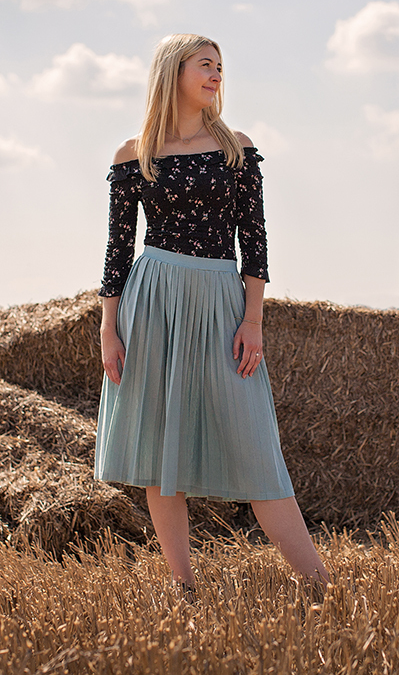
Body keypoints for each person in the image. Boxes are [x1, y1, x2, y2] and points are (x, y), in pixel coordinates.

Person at [95, 33, 329, 594]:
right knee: (158, 448)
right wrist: (109, 327)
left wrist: (253, 320)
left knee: (254, 443)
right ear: (174, 72)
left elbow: (256, 241)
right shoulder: (134, 154)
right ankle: (183, 586)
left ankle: (320, 583)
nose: (217, 75)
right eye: (205, 65)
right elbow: (116, 251)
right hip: (153, 301)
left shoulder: (236, 148)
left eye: (220, 67)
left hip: (222, 299)